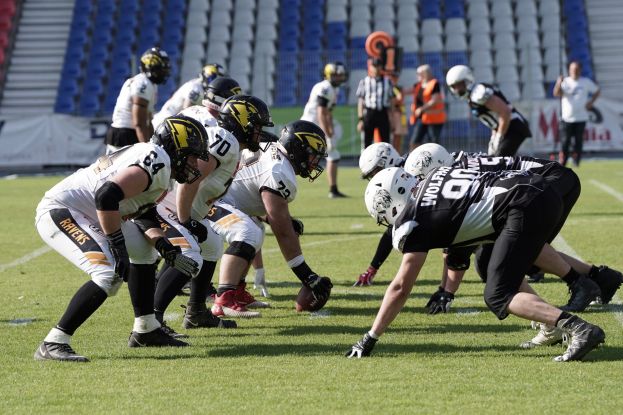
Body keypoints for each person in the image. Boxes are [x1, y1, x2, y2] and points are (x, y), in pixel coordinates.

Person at [346, 166, 606, 362]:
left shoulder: (413, 220)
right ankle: (554, 323)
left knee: (497, 295)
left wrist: (371, 336)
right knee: (499, 269)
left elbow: (401, 287)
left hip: (521, 207)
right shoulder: (435, 174)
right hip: (538, 190)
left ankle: (579, 328)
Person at [33, 115, 210, 362]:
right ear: (176, 148)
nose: (194, 163)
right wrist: (117, 246)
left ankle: (146, 330)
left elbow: (143, 213)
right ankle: (54, 341)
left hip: (93, 212)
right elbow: (106, 196)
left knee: (145, 252)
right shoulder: (156, 160)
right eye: (191, 155)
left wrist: (162, 244)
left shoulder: (158, 163)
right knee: (108, 274)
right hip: (63, 211)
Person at [151, 93, 275, 332]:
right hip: (170, 206)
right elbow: (190, 178)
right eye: (257, 126)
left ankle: (196, 311)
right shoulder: (224, 140)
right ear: (243, 123)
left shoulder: (231, 144)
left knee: (212, 246)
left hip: (183, 207)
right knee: (189, 255)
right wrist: (185, 220)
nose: (259, 132)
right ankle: (152, 320)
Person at [207, 120, 333, 318]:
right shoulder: (279, 171)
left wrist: (278, 219)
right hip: (208, 201)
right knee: (247, 231)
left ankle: (237, 292)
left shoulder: (274, 151)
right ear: (297, 148)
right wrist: (307, 275)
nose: (314, 162)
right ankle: (224, 299)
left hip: (221, 198)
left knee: (254, 228)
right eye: (311, 155)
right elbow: (282, 232)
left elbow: (254, 197)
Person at [446, 65, 531, 157]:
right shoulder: (472, 96)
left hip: (513, 126)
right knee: (495, 160)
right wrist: (494, 137)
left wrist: (499, 136)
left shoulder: (478, 94)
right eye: (454, 86)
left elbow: (505, 112)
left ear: (467, 80)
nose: (458, 89)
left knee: (499, 162)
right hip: (507, 127)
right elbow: (495, 120)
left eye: (460, 85)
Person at [105, 47, 171, 154]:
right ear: (151, 67)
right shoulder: (143, 84)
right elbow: (139, 123)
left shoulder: (148, 83)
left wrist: (153, 142)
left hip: (129, 132)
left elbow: (148, 121)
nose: (164, 72)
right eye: (161, 68)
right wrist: (148, 149)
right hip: (125, 133)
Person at [301, 61, 348, 198]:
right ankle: (333, 189)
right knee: (300, 157)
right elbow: (321, 113)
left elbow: (328, 113)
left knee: (333, 155)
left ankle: (333, 189)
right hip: (310, 125)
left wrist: (331, 131)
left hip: (315, 125)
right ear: (328, 75)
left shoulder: (334, 89)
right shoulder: (325, 87)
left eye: (340, 75)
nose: (338, 78)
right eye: (335, 75)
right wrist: (327, 134)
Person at [553, 60, 600, 167]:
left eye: (576, 69)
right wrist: (558, 83)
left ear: (580, 70)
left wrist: (590, 102)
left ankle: (576, 160)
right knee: (565, 142)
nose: (574, 71)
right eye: (572, 69)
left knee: (578, 142)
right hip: (567, 118)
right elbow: (556, 93)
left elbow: (597, 91)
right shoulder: (565, 82)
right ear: (569, 70)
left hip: (581, 117)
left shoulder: (586, 82)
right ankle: (563, 161)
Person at [152, 63, 226, 129]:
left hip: (171, 120)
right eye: (214, 78)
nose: (216, 82)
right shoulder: (196, 88)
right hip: (166, 120)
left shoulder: (199, 86)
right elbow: (186, 110)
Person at [356, 58, 394, 149]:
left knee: (386, 142)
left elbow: (391, 101)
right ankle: (366, 162)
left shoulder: (388, 81)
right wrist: (361, 119)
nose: (376, 68)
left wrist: (392, 119)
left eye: (378, 66)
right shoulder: (364, 82)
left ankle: (387, 162)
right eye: (374, 66)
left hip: (383, 113)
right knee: (367, 142)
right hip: (369, 113)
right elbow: (361, 102)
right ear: (370, 67)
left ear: (381, 67)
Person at [408, 64, 447, 151]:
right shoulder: (418, 85)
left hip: (434, 119)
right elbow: (409, 91)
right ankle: (413, 158)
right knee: (415, 141)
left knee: (433, 142)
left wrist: (422, 109)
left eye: (419, 73)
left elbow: (435, 100)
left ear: (425, 73)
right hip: (422, 118)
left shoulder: (434, 84)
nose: (418, 76)